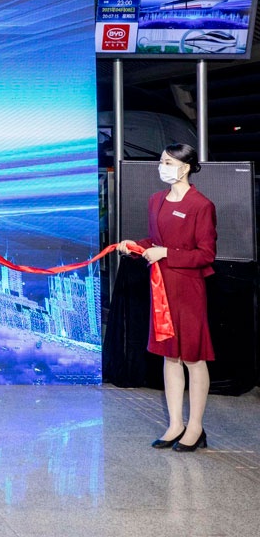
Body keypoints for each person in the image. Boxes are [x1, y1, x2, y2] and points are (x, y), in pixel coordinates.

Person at [118, 143, 216, 452]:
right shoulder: (155, 200)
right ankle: (175, 424)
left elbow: (206, 254)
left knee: (193, 358)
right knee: (170, 356)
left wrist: (166, 253)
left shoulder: (201, 205)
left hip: (188, 289)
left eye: (169, 162)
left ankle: (195, 427)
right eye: (161, 161)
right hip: (161, 286)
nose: (163, 167)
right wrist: (136, 246)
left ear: (186, 167)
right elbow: (156, 240)